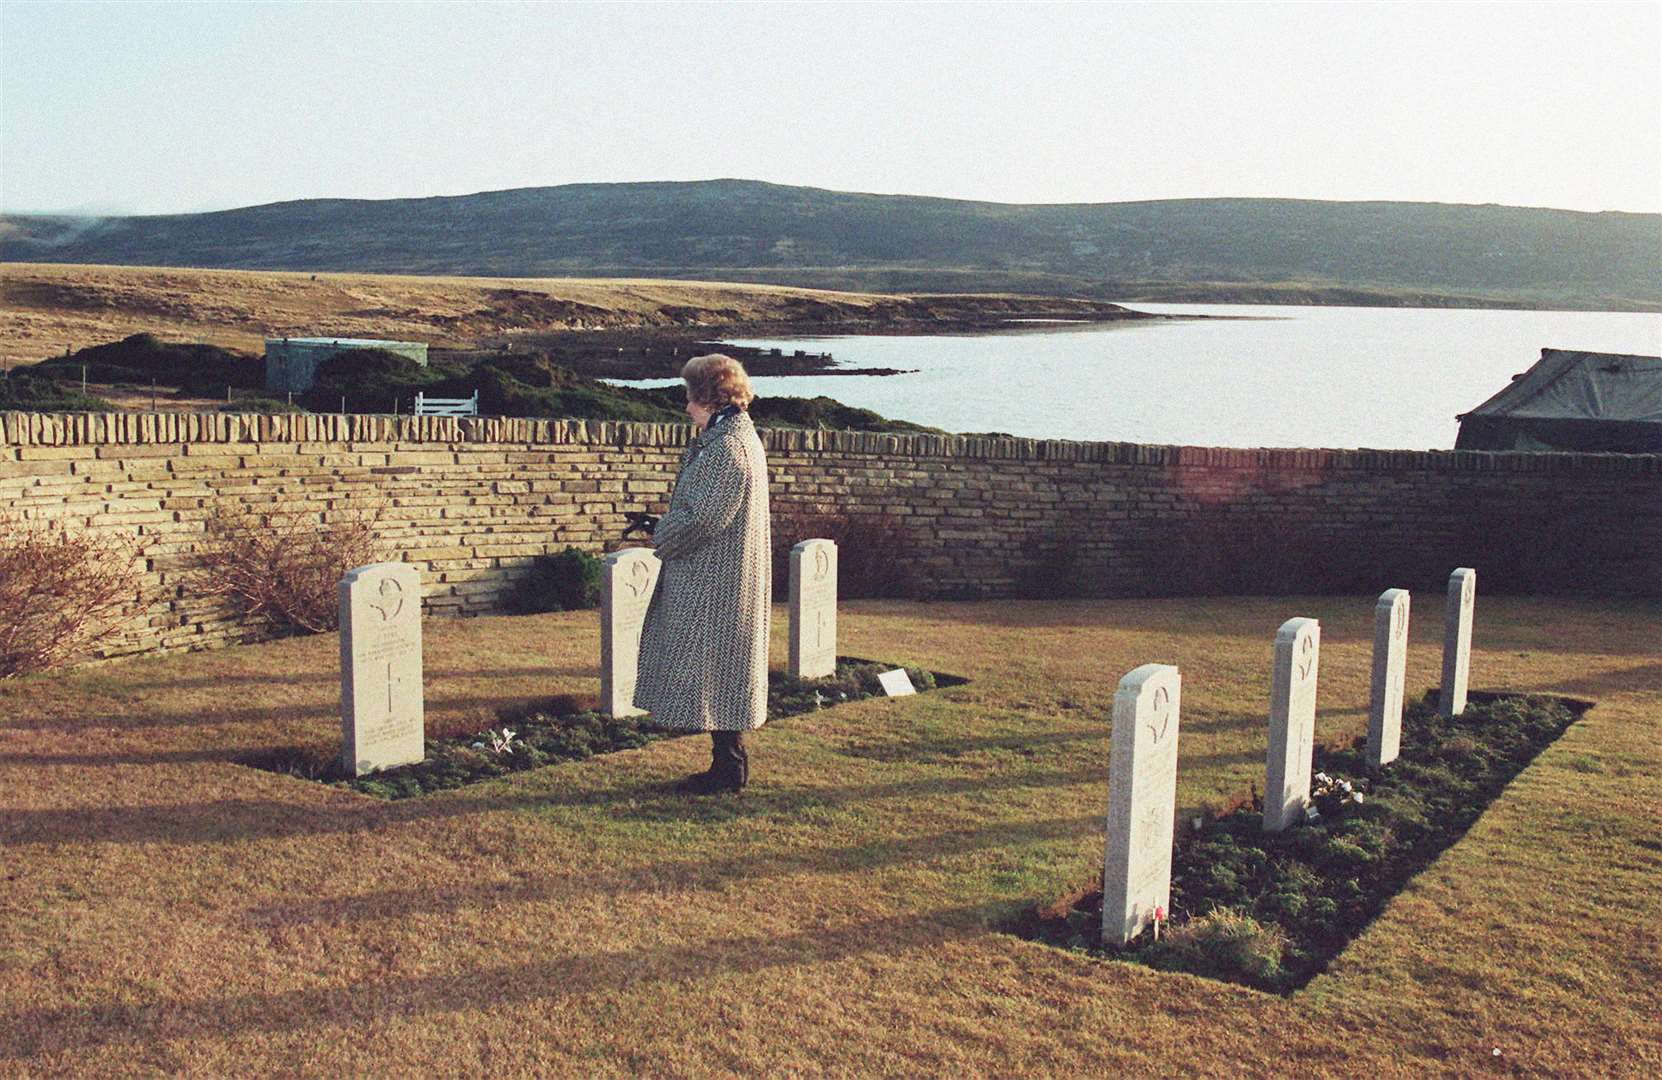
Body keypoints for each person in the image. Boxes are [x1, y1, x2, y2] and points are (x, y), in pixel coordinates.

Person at [633, 354, 772, 793]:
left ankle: (729, 768)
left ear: (707, 397)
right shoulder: (729, 438)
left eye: (689, 396)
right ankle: (727, 764)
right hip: (719, 574)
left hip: (715, 580)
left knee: (715, 670)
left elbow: (704, 519)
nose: (685, 406)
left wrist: (661, 534)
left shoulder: (728, 447)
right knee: (718, 672)